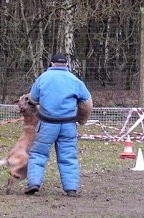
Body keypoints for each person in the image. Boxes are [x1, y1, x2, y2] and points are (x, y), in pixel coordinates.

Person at [25, 53, 93, 197]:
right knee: (68, 156)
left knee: (38, 154)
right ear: (66, 65)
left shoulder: (43, 78)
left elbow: (33, 98)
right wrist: (81, 119)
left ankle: (34, 184)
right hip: (68, 125)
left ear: (51, 64)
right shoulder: (75, 81)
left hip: (46, 124)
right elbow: (87, 104)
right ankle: (71, 189)